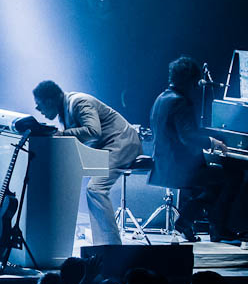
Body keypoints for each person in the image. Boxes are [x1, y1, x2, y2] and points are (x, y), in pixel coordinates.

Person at [33, 80, 142, 245]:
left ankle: (110, 245)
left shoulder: (79, 102)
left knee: (95, 189)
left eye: (38, 104)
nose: (37, 109)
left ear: (49, 100)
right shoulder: (65, 110)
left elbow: (93, 131)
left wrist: (60, 135)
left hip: (121, 144)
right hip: (107, 146)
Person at [149, 56, 240, 242]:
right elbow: (187, 136)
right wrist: (213, 142)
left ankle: (197, 223)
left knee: (215, 180)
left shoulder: (162, 98)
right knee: (232, 176)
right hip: (179, 169)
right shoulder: (180, 102)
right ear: (191, 80)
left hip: (162, 165)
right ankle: (208, 226)